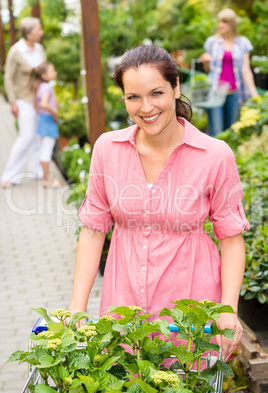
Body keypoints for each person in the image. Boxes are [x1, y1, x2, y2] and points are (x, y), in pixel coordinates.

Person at [68, 45, 250, 361]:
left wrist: (228, 310)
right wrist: (76, 309)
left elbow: (232, 239)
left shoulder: (215, 156)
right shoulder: (108, 150)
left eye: (156, 93)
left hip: (190, 313)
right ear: (123, 99)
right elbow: (93, 230)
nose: (146, 107)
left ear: (176, 87)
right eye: (133, 97)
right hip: (123, 309)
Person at [1, 17, 45, 188]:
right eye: (38, 29)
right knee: (25, 137)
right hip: (23, 100)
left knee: (37, 137)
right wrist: (12, 101)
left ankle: (35, 170)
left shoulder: (40, 49)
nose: (41, 32)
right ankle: (9, 175)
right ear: (29, 33)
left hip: (39, 100)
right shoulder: (16, 50)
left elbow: (44, 72)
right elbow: (8, 77)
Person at [200, 8, 258, 137]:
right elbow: (208, 70)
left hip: (235, 94)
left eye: (224, 22)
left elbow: (246, 70)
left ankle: (228, 157)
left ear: (232, 24)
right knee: (216, 132)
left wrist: (254, 94)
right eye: (219, 21)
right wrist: (206, 61)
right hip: (216, 92)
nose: (220, 25)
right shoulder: (212, 42)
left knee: (231, 131)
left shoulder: (243, 43)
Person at [29, 61, 62, 188]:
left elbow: (35, 104)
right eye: (52, 71)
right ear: (44, 75)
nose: (55, 73)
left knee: (43, 148)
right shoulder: (47, 87)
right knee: (47, 149)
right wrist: (54, 113)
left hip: (42, 119)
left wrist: (41, 112)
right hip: (48, 120)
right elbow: (43, 103)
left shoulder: (39, 86)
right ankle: (46, 179)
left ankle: (46, 177)